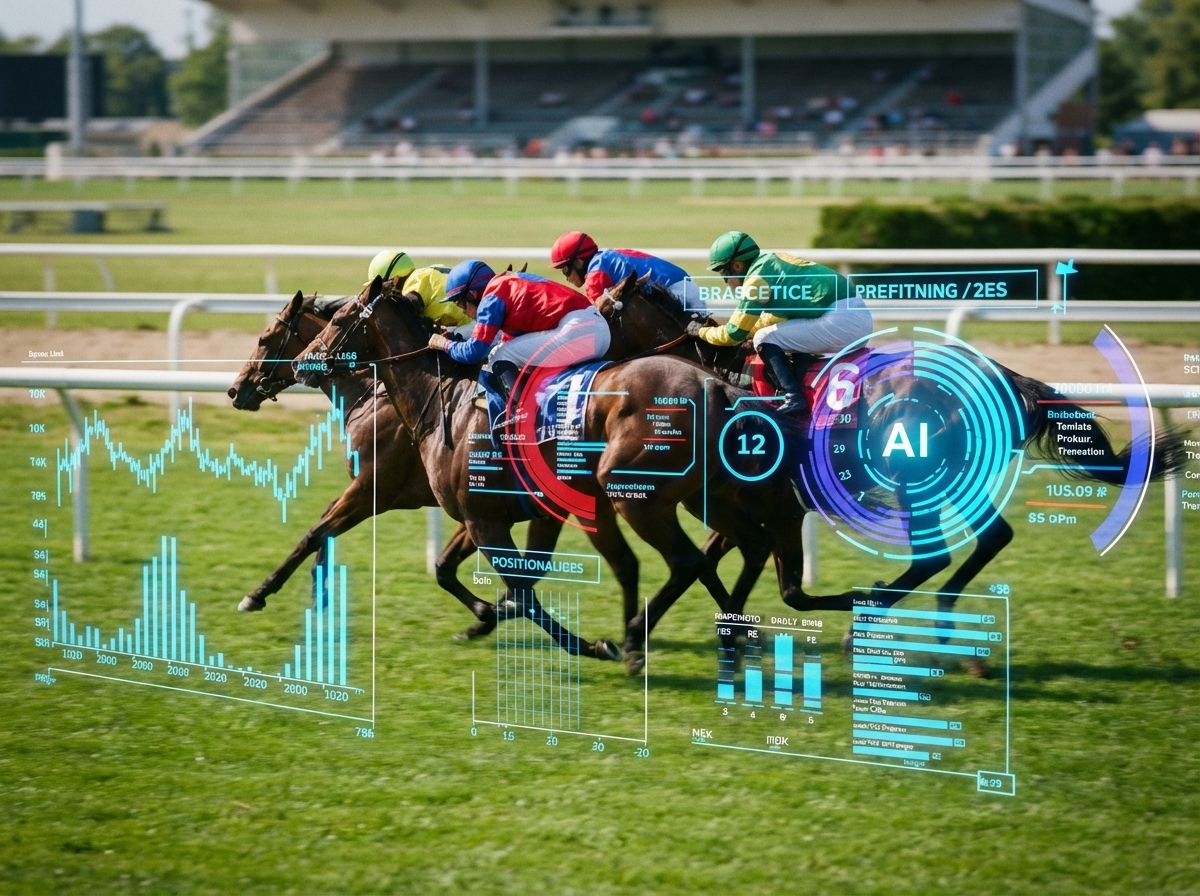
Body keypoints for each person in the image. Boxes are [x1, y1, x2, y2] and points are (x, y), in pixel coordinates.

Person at [689, 231, 873, 415]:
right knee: (781, 334)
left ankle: (792, 396)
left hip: (843, 322)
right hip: (853, 316)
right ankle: (805, 389)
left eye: (723, 273)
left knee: (764, 339)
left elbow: (734, 334)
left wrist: (701, 332)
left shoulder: (755, 282)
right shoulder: (770, 262)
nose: (725, 282)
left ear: (737, 266)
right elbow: (767, 321)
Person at [427, 260, 610, 401]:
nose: (462, 311)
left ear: (472, 294)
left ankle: (518, 415)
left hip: (578, 330)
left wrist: (445, 344)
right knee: (505, 351)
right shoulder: (508, 284)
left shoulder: (491, 298)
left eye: (460, 303)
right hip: (599, 330)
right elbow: (509, 342)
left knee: (501, 356)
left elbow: (475, 352)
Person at [549, 231, 704, 312]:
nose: (567, 278)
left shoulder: (595, 276)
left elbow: (595, 319)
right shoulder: (606, 256)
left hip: (675, 296)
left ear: (578, 262)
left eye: (565, 270)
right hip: (686, 287)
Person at [365, 249, 472, 335]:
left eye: (382, 288)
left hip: (470, 324)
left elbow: (405, 316)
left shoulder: (415, 282)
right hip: (472, 318)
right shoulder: (425, 273)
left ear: (395, 279)